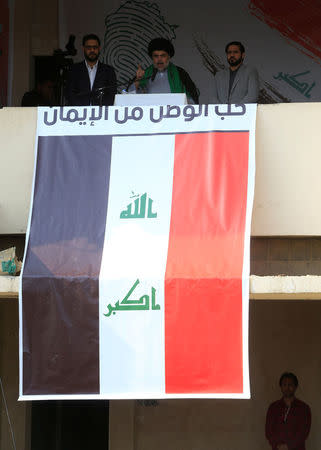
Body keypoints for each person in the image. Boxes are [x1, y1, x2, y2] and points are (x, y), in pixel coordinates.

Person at [130, 38, 199, 104]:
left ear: (169, 57)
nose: (159, 59)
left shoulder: (180, 73)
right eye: (156, 56)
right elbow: (129, 97)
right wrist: (138, 80)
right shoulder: (144, 75)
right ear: (152, 58)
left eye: (163, 56)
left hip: (175, 114)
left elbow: (193, 100)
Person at [65, 33, 116, 106]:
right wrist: (82, 111)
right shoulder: (74, 70)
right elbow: (70, 94)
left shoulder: (108, 71)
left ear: (99, 48)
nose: (92, 50)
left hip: (102, 114)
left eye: (95, 47)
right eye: (89, 48)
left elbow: (111, 95)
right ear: (83, 49)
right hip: (79, 113)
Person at [265, 372, 311, 450]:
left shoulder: (304, 408)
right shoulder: (273, 407)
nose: (287, 388)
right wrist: (277, 445)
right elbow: (268, 431)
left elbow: (303, 432)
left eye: (290, 385)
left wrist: (288, 446)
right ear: (281, 387)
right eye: (284, 385)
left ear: (295, 387)